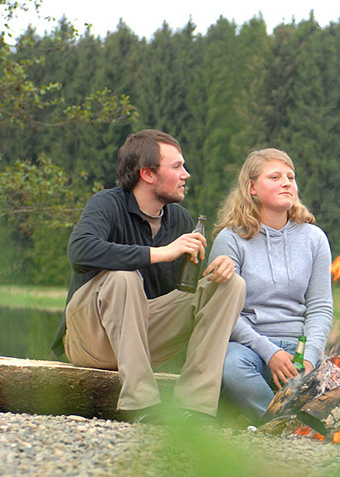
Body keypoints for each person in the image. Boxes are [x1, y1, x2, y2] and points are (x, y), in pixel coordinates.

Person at [51, 129, 247, 423]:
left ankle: (194, 408)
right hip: (89, 339)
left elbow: (184, 294)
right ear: (148, 174)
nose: (187, 174)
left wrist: (217, 270)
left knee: (231, 285)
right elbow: (79, 251)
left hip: (141, 339)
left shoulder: (179, 218)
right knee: (123, 277)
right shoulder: (107, 204)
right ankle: (140, 404)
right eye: (177, 166)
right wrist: (159, 253)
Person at [209, 148, 333, 424]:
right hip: (249, 347)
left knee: (329, 379)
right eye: (275, 177)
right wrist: (270, 352)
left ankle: (287, 418)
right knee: (231, 366)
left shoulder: (314, 238)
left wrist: (310, 358)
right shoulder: (230, 240)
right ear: (252, 187)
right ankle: (284, 424)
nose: (287, 182)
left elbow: (321, 307)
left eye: (290, 176)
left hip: (298, 347)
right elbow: (224, 312)